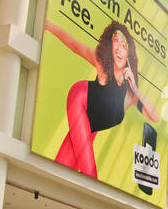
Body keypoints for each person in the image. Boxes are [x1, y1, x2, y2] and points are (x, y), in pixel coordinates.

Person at [44, 20, 161, 178]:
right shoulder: (101, 63)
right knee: (90, 175)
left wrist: (135, 89)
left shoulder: (130, 94)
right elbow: (73, 44)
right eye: (115, 41)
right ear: (110, 47)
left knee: (57, 172)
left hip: (89, 129)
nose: (119, 46)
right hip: (80, 98)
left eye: (123, 45)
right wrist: (49, 25)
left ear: (128, 55)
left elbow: (154, 116)